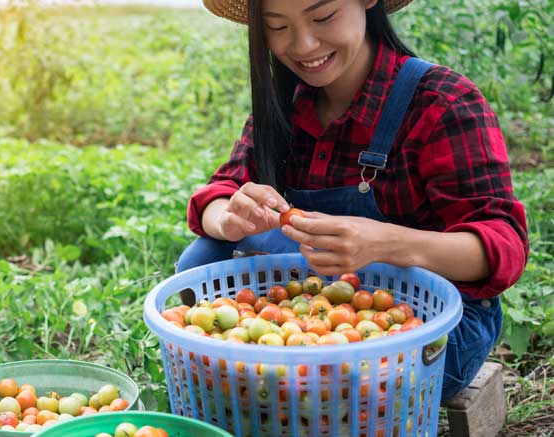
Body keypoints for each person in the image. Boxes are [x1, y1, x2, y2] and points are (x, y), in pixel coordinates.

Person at [177, 0, 529, 400]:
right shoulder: (285, 106)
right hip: (317, 309)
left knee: (331, 384)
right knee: (202, 258)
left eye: (322, 17)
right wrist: (228, 217)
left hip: (431, 323)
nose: (304, 44)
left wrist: (386, 243)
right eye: (278, 27)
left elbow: (504, 245)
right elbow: (220, 192)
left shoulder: (441, 102)